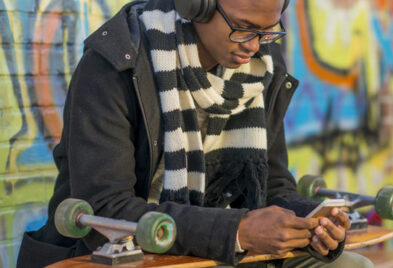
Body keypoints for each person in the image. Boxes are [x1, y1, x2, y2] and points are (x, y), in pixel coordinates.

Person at [16, 0, 373, 267]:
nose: (254, 46)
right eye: (244, 27)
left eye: (268, 31)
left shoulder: (263, 65)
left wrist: (312, 221)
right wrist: (238, 230)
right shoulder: (116, 64)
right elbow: (106, 211)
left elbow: (272, 186)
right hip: (127, 257)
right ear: (196, 6)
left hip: (221, 251)